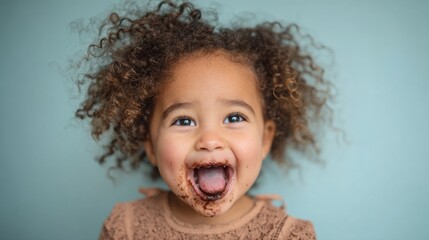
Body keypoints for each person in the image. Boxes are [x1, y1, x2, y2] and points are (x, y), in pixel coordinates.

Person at [75, 0, 332, 239]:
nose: (209, 140)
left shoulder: (287, 235)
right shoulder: (125, 228)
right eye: (184, 121)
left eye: (233, 117)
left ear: (265, 139)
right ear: (151, 146)